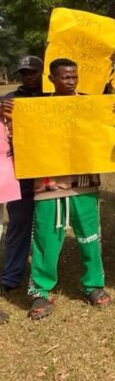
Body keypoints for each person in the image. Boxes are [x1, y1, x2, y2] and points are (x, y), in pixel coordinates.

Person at [5, 58, 115, 320]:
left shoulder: (91, 105)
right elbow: (15, 138)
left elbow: (108, 138)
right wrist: (7, 116)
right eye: (65, 77)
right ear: (51, 79)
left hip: (84, 183)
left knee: (90, 237)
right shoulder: (37, 108)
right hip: (48, 184)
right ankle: (40, 291)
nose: (71, 82)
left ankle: (93, 285)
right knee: (46, 239)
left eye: (74, 77)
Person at [0, 56, 44, 299]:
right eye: (24, 73)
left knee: (48, 227)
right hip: (20, 172)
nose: (28, 77)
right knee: (18, 223)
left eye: (33, 72)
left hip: (49, 172)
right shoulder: (10, 100)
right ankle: (11, 276)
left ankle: (44, 275)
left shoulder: (54, 97)